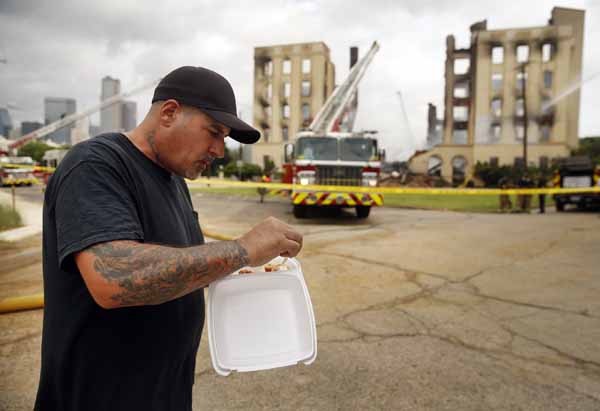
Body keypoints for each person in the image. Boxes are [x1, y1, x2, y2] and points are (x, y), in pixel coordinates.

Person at [34, 66, 303, 411]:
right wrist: (241, 251)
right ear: (169, 113)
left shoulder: (174, 180)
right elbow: (114, 277)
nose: (220, 150)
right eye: (214, 132)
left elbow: (177, 260)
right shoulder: (95, 165)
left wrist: (248, 269)